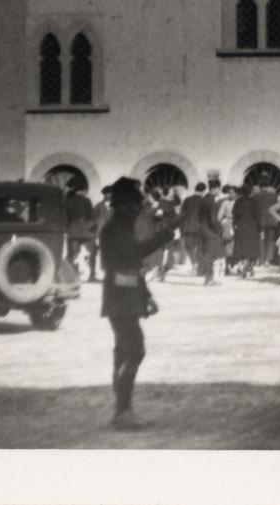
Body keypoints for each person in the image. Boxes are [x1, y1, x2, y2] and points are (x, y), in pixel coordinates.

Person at [98, 176, 180, 431]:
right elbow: (134, 256)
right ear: (124, 206)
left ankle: (122, 410)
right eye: (135, 205)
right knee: (134, 349)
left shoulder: (119, 228)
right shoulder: (115, 230)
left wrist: (145, 296)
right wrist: (166, 233)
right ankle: (122, 411)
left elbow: (132, 265)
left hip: (123, 296)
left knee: (125, 349)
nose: (138, 210)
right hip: (120, 298)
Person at [231, 179, 261, 278]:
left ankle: (242, 266)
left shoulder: (238, 201)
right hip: (252, 227)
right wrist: (260, 229)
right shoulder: (254, 201)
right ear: (250, 191)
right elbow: (258, 216)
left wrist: (234, 226)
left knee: (241, 248)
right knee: (251, 248)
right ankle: (249, 267)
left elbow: (234, 215)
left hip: (241, 226)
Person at [64, 185, 95, 277]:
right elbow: (91, 217)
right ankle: (91, 275)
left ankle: (72, 275)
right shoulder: (87, 201)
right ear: (83, 190)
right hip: (86, 230)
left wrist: (67, 229)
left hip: (73, 230)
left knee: (72, 254)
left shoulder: (68, 201)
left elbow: (66, 217)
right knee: (90, 253)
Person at [254, 180, 280, 268]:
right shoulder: (274, 196)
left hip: (260, 221)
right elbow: (276, 208)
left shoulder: (256, 196)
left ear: (260, 186)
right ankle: (268, 260)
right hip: (271, 220)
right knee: (270, 241)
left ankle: (261, 260)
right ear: (268, 186)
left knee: (261, 240)